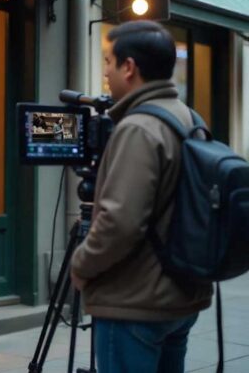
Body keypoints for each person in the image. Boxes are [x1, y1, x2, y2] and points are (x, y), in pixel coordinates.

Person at [70, 21, 212, 373]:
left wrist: (81, 263)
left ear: (129, 67)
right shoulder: (189, 118)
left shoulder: (138, 127)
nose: (105, 71)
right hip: (181, 295)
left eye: (108, 61)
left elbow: (120, 223)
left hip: (135, 304)